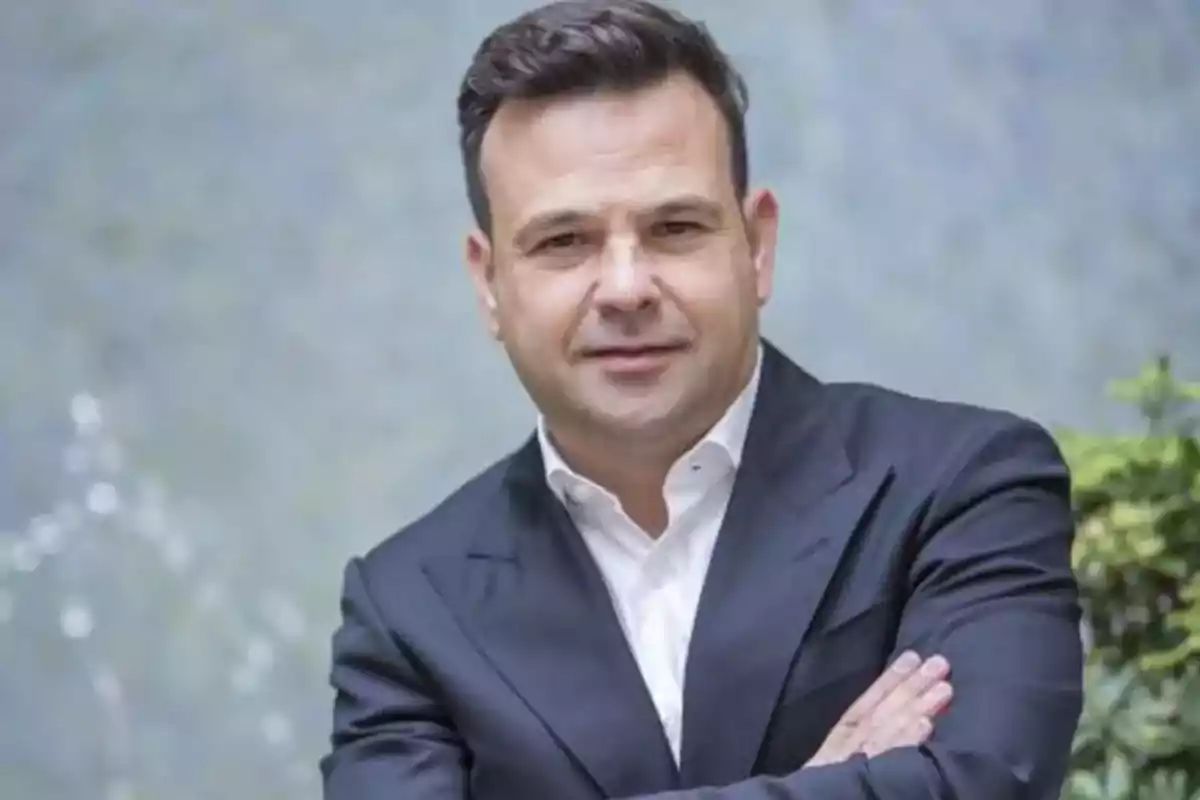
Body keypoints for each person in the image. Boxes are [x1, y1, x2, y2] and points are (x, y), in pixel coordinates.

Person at [320, 1, 1085, 797]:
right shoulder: (408, 606)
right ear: (489, 283)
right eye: (564, 242)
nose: (624, 288)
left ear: (756, 246)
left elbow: (983, 783)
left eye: (675, 227)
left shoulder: (962, 485)